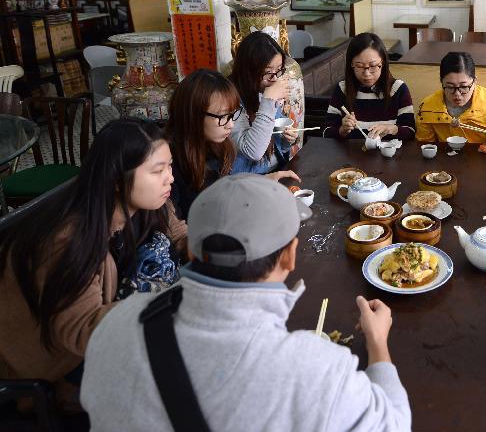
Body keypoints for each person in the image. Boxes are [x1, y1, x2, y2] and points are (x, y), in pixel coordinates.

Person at [81, 174, 412, 432]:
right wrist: (378, 343)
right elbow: (396, 423)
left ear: (193, 252)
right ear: (290, 255)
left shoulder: (114, 325)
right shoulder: (317, 370)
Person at [0, 119, 186, 409]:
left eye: (170, 166)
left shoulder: (144, 203)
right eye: (158, 171)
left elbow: (177, 232)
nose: (170, 178)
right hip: (59, 363)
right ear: (116, 180)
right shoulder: (67, 242)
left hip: (110, 324)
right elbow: (81, 330)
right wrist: (172, 304)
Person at [168, 69, 299, 219]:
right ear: (193, 115)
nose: (230, 125)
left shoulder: (218, 145)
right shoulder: (168, 161)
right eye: (223, 116)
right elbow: (181, 225)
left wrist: (261, 182)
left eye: (232, 115)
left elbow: (223, 193)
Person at [230, 31, 301, 174]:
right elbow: (253, 152)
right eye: (268, 72)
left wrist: (288, 139)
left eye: (279, 70)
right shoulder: (228, 99)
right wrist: (269, 101)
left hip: (277, 170)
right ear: (248, 71)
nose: (274, 79)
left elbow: (276, 142)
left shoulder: (264, 89)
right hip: (248, 182)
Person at [323, 32, 416, 141]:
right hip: (351, 156)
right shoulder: (343, 89)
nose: (367, 74)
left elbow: (411, 132)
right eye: (359, 66)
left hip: (390, 156)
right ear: (351, 64)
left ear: (383, 62)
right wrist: (342, 130)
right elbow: (326, 132)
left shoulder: (398, 89)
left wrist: (392, 129)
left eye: (373, 66)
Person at [415, 51, 486, 144]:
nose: (457, 94)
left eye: (463, 87)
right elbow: (425, 145)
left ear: (475, 81)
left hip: (483, 155)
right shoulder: (428, 107)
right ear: (441, 82)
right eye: (450, 87)